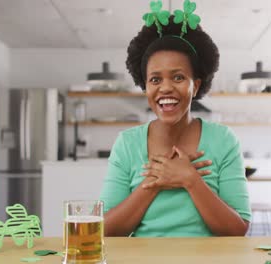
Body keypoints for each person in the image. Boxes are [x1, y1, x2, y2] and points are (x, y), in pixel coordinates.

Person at [99, 0, 251, 237]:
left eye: (178, 77)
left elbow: (237, 230)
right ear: (145, 87)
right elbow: (106, 230)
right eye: (155, 80)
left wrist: (190, 179)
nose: (165, 88)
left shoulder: (224, 140)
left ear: (196, 85)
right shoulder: (127, 144)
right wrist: (155, 182)